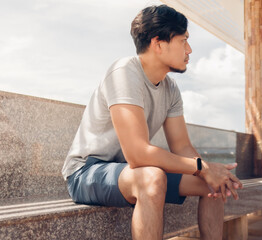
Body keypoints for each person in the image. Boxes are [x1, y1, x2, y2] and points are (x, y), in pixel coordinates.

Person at [62, 4, 243, 240]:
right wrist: (201, 167)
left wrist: (210, 172)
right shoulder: (123, 72)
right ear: (158, 44)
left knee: (213, 185)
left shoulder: (170, 88)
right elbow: (138, 154)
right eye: (183, 41)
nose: (189, 49)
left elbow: (183, 147)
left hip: (128, 170)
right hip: (87, 171)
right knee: (153, 178)